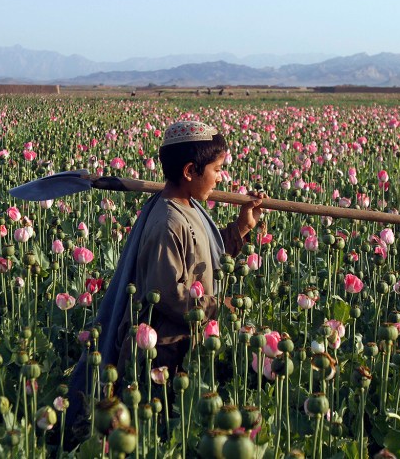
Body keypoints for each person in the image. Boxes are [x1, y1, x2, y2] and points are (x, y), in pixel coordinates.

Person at [65, 120, 265, 435]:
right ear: (189, 171)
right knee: (162, 432)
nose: (220, 178)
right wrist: (218, 305)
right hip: (165, 355)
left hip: (187, 346)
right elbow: (169, 294)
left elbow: (204, 257)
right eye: (216, 169)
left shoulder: (190, 207)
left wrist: (242, 227)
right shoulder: (168, 223)